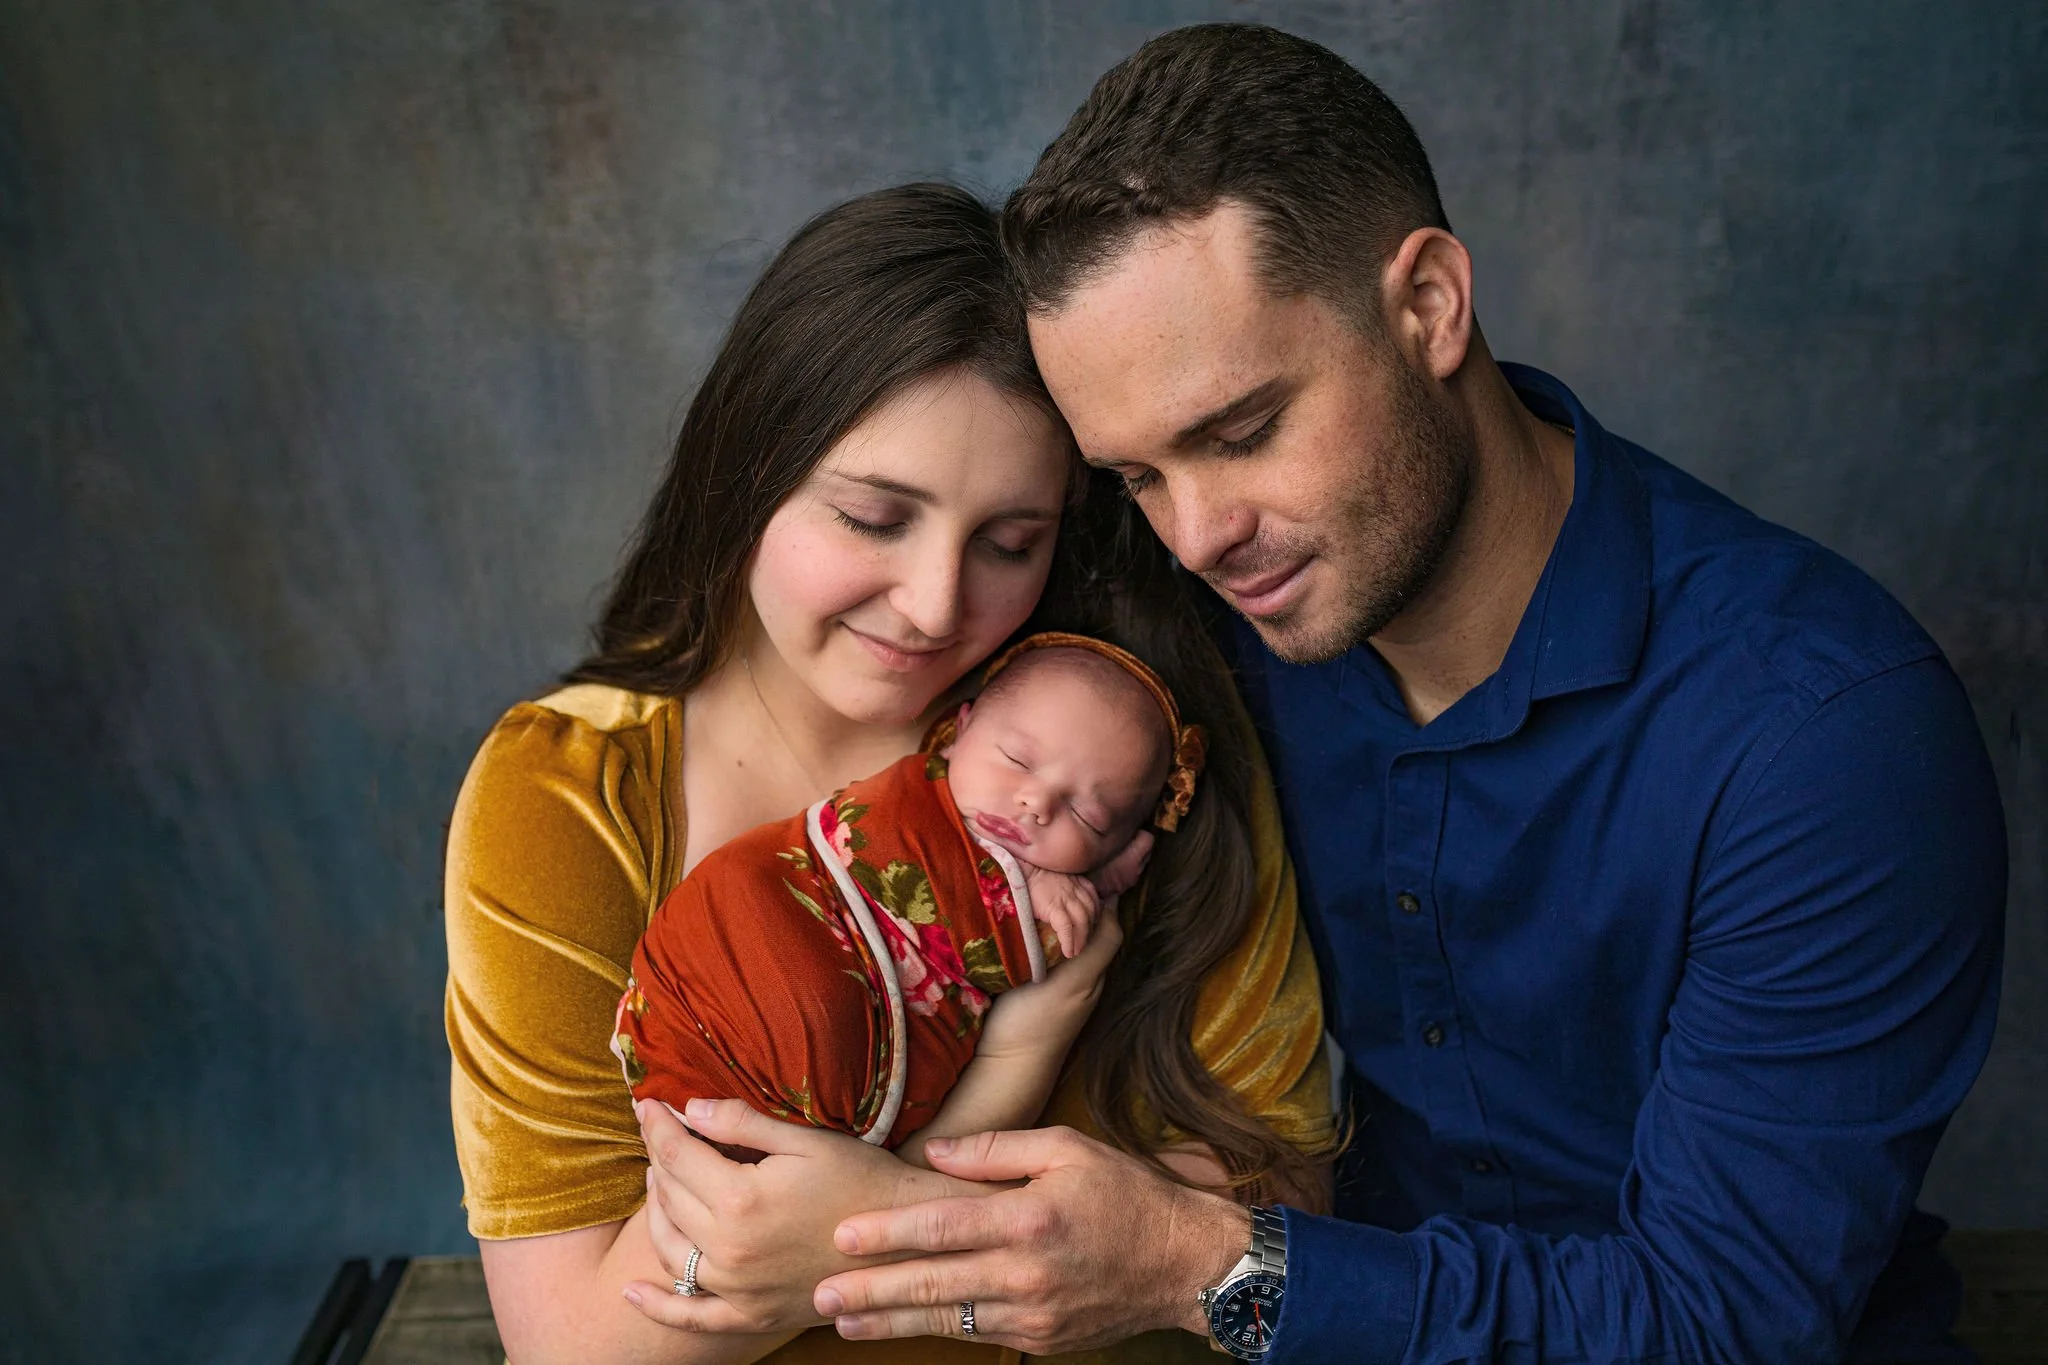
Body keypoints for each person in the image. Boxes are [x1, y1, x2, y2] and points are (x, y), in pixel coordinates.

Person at [645, 25, 2008, 1364]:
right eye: (1137, 477)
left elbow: (1725, 1328)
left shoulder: (1825, 739)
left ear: (1428, 308)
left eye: (1240, 433)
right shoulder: (1186, 639)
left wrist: (1211, 1268)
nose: (1195, 537)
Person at [442, 181, 1337, 1365]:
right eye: (873, 517)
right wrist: (949, 1215)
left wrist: (833, 1236)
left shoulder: (1118, 753)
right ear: (748, 473)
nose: (933, 606)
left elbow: (1278, 1216)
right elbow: (578, 1349)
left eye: (1010, 544)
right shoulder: (565, 795)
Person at [614, 635, 1203, 1162]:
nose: (1036, 803)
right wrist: (1041, 887)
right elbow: (974, 929)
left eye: (1087, 816)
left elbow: (1038, 960)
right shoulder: (907, 801)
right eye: (1017, 760)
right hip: (738, 960)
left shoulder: (1072, 890)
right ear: (959, 730)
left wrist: (1091, 888)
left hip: (812, 1122)